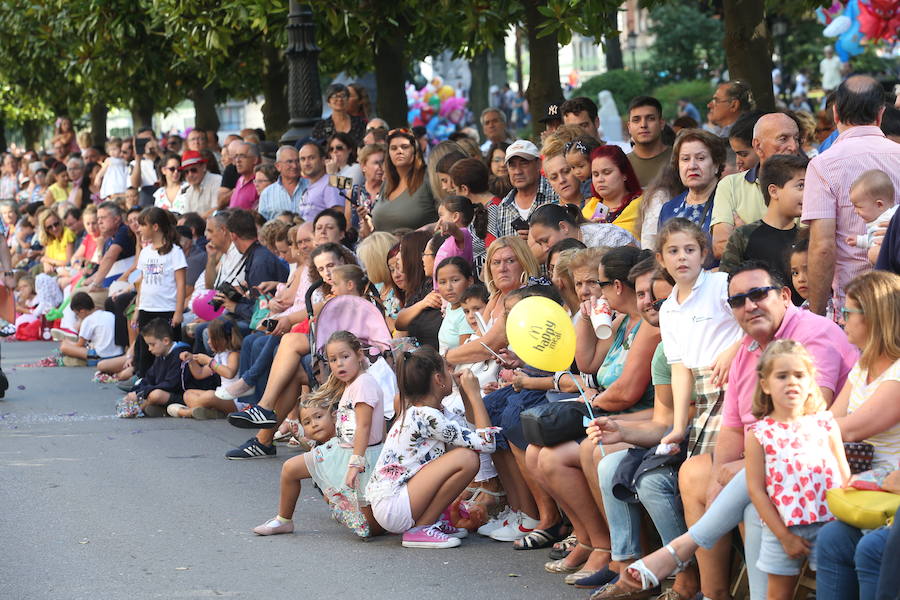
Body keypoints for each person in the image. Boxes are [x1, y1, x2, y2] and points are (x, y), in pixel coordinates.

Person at [622, 260, 858, 600]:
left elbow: (804, 426)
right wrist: (724, 475)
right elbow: (732, 428)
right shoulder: (747, 348)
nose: (749, 305)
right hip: (765, 453)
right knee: (696, 472)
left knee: (750, 499)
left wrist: (746, 469)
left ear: (784, 296)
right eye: (738, 300)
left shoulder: (811, 334)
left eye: (758, 294)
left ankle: (680, 550)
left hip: (815, 457)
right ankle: (714, 592)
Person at [742, 340, 851, 600]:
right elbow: (756, 491)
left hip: (829, 526)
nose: (792, 382)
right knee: (779, 594)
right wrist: (784, 536)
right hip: (782, 528)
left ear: (810, 380)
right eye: (782, 376)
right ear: (765, 384)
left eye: (799, 375)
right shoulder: (759, 434)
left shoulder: (825, 424)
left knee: (832, 590)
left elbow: (844, 475)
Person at [251, 331, 385, 537]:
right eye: (333, 359)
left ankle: (347, 508)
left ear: (359, 355)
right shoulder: (352, 383)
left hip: (359, 457)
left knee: (368, 530)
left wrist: (356, 464)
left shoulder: (364, 384)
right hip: (342, 450)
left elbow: (364, 427)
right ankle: (283, 520)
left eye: (345, 357)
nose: (339, 364)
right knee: (290, 469)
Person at [367, 347, 495, 547]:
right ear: (438, 379)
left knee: (464, 453)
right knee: (467, 459)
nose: (452, 373)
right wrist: (476, 395)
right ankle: (421, 528)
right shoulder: (427, 416)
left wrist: (466, 395)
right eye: (448, 369)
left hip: (397, 502)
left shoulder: (432, 412)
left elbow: (472, 433)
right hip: (394, 505)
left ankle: (432, 521)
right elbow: (487, 443)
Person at [802, 75, 900, 315]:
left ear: (835, 113)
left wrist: (816, 315)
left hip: (853, 304)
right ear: (880, 114)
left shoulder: (823, 165)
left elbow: (822, 247)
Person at [710, 112, 800, 259]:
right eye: (783, 139)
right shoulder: (730, 185)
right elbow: (720, 247)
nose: (793, 146)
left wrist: (744, 234)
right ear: (758, 146)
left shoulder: (811, 183)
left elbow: (809, 247)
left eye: (796, 139)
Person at [720, 155, 808, 301]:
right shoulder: (743, 236)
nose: (808, 193)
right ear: (773, 191)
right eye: (801, 186)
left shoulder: (805, 239)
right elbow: (725, 288)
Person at [131, 207, 186, 379]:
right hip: (147, 309)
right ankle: (144, 383)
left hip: (166, 309)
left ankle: (169, 384)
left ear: (155, 227)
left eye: (142, 225)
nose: (139, 229)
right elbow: (142, 282)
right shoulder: (146, 252)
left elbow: (181, 283)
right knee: (146, 350)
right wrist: (137, 309)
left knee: (167, 351)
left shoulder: (175, 252)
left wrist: (178, 311)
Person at [657, 130, 727, 250]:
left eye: (700, 158)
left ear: (716, 165)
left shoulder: (729, 202)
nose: (692, 166)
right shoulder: (668, 209)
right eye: (685, 159)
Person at [169, 319, 245, 419]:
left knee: (210, 395)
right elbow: (199, 374)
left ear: (222, 339)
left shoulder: (234, 355)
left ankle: (186, 412)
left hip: (235, 400)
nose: (208, 342)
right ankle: (212, 412)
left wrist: (209, 362)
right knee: (188, 394)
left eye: (211, 338)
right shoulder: (219, 355)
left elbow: (229, 373)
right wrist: (191, 360)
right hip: (223, 395)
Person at [115, 319, 191, 418]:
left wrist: (141, 394)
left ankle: (140, 408)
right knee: (145, 392)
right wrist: (135, 391)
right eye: (148, 345)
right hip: (167, 393)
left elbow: (171, 384)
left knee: (156, 395)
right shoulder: (161, 354)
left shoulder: (180, 355)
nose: (149, 349)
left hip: (182, 395)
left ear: (166, 341)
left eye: (152, 344)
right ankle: (156, 408)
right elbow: (149, 378)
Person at [488, 140, 558, 241]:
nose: (517, 171)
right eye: (512, 165)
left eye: (524, 163)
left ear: (538, 164)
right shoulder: (503, 207)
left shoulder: (556, 192)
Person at [370, 129, 436, 232]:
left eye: (405, 147)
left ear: (415, 150)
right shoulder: (387, 183)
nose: (399, 151)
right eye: (393, 148)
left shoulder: (429, 177)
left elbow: (447, 219)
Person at [528, 203, 635, 259]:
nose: (544, 249)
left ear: (563, 227)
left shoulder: (606, 236)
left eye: (545, 240)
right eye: (539, 244)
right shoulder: (559, 256)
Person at [583, 145, 643, 237]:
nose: (600, 179)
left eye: (606, 172)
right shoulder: (591, 207)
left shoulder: (643, 205)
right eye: (595, 174)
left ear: (624, 174)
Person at [58, 292, 123, 364]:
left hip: (103, 356)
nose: (78, 317)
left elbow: (79, 345)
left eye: (77, 314)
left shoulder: (88, 320)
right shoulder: (108, 314)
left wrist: (67, 342)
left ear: (82, 311)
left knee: (64, 347)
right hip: (119, 354)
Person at [846, 169, 896, 261]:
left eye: (859, 207)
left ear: (879, 205)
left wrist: (874, 254)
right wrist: (859, 240)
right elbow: (872, 238)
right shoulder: (878, 221)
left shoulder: (890, 218)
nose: (855, 211)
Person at [626, 96, 672, 188]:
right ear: (629, 127)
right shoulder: (621, 164)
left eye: (650, 118)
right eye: (636, 120)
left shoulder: (679, 159)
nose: (643, 125)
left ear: (661, 124)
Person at [434, 257, 474, 355]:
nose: (449, 287)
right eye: (443, 282)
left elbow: (464, 354)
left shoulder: (467, 314)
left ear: (469, 281)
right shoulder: (450, 306)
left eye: (455, 280)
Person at [296, 141, 344, 223]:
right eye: (303, 159)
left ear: (323, 160)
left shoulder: (332, 181)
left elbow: (338, 217)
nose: (306, 163)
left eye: (311, 158)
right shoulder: (307, 185)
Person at [257, 146, 308, 221]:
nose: (294, 166)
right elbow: (262, 225)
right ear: (278, 166)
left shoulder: (312, 186)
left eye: (297, 161)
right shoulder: (267, 194)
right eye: (289, 162)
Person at [173, 150, 221, 217]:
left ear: (204, 167)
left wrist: (197, 221)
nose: (190, 175)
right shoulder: (189, 191)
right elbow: (186, 216)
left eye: (193, 170)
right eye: (186, 172)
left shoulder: (216, 181)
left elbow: (217, 210)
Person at [37, 209, 75, 275]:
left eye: (56, 224)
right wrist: (46, 263)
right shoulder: (50, 238)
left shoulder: (67, 234)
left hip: (66, 271)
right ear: (46, 229)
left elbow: (68, 262)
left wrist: (48, 261)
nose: (54, 228)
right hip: (54, 270)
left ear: (60, 221)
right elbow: (45, 258)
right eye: (49, 227)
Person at [228, 141, 260, 211]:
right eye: (236, 156)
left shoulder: (259, 182)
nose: (238, 160)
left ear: (255, 160)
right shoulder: (240, 179)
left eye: (242, 156)